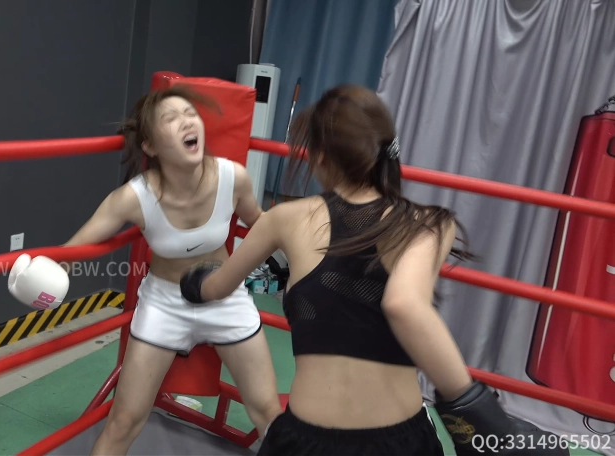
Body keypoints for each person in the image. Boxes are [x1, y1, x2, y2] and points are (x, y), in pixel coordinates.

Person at [179, 84, 570, 456]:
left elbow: (215, 287)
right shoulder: (429, 223)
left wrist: (193, 282)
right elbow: (404, 303)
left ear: (320, 157)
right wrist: (486, 422)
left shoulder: (285, 217)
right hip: (398, 439)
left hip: (305, 437)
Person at [56, 85, 282, 455]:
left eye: (191, 114)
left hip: (225, 299)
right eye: (171, 119)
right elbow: (74, 249)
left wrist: (300, 249)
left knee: (269, 414)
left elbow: (263, 225)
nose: (187, 122)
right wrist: (37, 274)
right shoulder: (135, 197)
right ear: (150, 146)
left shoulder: (233, 178)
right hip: (164, 305)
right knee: (124, 422)